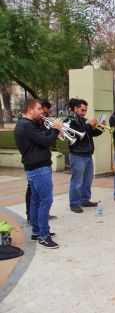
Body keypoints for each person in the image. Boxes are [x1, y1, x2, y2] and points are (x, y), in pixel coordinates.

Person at [15, 99, 63, 249]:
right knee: (46, 200)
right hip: (38, 168)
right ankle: (43, 235)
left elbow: (41, 137)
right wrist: (55, 129)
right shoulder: (26, 126)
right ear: (30, 109)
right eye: (39, 109)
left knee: (36, 200)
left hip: (35, 167)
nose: (42, 112)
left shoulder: (28, 124)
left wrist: (52, 130)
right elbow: (45, 141)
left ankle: (37, 231)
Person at [65, 99, 103, 213]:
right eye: (82, 110)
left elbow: (92, 133)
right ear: (75, 109)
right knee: (77, 181)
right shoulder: (70, 121)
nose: (84, 112)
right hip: (77, 155)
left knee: (87, 180)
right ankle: (74, 203)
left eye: (85, 110)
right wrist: (88, 125)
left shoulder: (83, 120)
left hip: (87, 154)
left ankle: (85, 200)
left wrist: (100, 127)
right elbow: (79, 134)